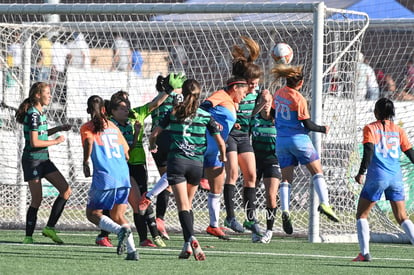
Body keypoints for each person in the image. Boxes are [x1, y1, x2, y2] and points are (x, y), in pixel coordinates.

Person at [149, 79, 226, 261]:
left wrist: (153, 146)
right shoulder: (205, 116)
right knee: (188, 206)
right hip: (196, 165)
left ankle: (191, 237)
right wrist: (222, 156)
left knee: (182, 206)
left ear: (182, 93)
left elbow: (154, 134)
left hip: (177, 162)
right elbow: (220, 142)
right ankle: (187, 246)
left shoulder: (173, 112)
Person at [102, 86, 175, 248]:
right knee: (121, 204)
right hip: (120, 167)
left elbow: (156, 103)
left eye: (128, 103)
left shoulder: (134, 117)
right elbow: (124, 149)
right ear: (112, 110)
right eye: (122, 105)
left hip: (138, 164)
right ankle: (142, 237)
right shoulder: (110, 124)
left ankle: (147, 237)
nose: (127, 108)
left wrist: (169, 90)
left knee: (140, 201)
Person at [271, 64, 339, 235]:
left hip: (281, 141)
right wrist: (323, 129)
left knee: (286, 179)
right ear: (300, 83)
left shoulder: (278, 94)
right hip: (299, 140)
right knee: (317, 172)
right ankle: (324, 203)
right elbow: (307, 124)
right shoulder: (299, 99)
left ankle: (285, 210)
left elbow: (272, 115)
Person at [353, 98, 414, 262]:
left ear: (376, 112)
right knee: (402, 217)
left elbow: (369, 152)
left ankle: (364, 253)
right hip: (396, 178)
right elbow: (410, 152)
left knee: (362, 215)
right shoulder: (399, 130)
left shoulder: (370, 128)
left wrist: (361, 172)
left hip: (377, 177)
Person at [81, 95, 138, 261]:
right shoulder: (113, 126)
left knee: (93, 213)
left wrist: (85, 161)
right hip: (123, 176)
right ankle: (132, 251)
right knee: (118, 215)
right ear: (105, 110)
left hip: (105, 177)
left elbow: (89, 142)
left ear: (88, 111)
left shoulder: (87, 127)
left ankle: (119, 231)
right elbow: (127, 154)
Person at [15, 82, 72, 245]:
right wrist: (55, 141)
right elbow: (34, 142)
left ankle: (50, 228)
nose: (50, 95)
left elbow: (41, 133)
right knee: (37, 200)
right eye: (47, 92)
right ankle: (28, 237)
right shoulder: (33, 114)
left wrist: (57, 129)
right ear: (38, 95)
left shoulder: (40, 113)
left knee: (66, 190)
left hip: (44, 160)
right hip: (32, 161)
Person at [223, 36, 267, 239]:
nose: (253, 88)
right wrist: (232, 120)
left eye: (256, 84)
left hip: (244, 137)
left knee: (251, 176)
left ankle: (250, 218)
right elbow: (223, 109)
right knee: (232, 173)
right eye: (250, 84)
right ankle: (230, 216)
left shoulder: (255, 92)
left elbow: (253, 115)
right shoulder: (233, 90)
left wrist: (263, 102)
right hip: (230, 135)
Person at [138, 73, 186, 241]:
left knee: (167, 182)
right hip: (170, 137)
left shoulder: (157, 99)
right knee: (174, 177)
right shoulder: (177, 96)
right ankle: (156, 210)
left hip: (156, 141)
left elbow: (156, 104)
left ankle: (159, 219)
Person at [201, 76, 249, 240]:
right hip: (203, 144)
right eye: (244, 90)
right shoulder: (221, 95)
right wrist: (213, 122)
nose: (245, 94)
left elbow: (222, 117)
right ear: (235, 87)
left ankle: (213, 225)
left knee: (217, 187)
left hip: (215, 151)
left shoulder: (232, 102)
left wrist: (231, 124)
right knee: (178, 179)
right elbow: (203, 108)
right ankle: (149, 197)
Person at [250, 91, 281, 243]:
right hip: (255, 160)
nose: (266, 103)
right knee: (250, 194)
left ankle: (269, 230)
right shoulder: (253, 119)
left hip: (272, 160)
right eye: (263, 100)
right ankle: (254, 228)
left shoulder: (278, 119)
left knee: (270, 195)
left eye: (269, 100)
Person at [50, 34, 71, 104]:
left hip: (54, 68)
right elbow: (70, 55)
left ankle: (53, 100)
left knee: (53, 85)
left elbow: (50, 56)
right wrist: (67, 63)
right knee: (60, 85)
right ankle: (58, 100)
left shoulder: (52, 47)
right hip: (61, 69)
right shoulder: (63, 47)